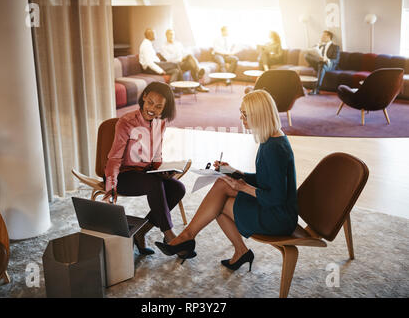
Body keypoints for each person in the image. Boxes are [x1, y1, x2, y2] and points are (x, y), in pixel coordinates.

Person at [155, 90, 299, 270]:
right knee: (222, 184)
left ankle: (188, 238)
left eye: (246, 114)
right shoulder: (271, 138)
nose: (241, 118)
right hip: (275, 209)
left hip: (278, 218)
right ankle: (195, 239)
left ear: (260, 115)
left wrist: (243, 187)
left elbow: (276, 198)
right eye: (241, 112)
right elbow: (267, 180)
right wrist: (235, 172)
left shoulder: (274, 149)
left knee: (219, 203)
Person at [103, 82, 189, 257]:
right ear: (144, 97)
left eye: (159, 107)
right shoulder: (126, 122)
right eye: (150, 102)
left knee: (178, 188)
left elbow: (157, 155)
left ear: (164, 108)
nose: (152, 109)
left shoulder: (161, 123)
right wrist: (110, 186)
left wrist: (163, 170)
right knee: (153, 183)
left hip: (145, 175)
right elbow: (114, 158)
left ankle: (141, 231)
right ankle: (169, 236)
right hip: (123, 175)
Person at [304, 30, 340, 95]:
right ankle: (321, 62)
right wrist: (318, 45)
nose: (321, 37)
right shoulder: (320, 45)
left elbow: (336, 60)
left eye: (323, 36)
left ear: (329, 37)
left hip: (329, 65)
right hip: (319, 62)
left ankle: (316, 89)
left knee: (322, 64)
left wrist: (327, 60)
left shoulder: (335, 47)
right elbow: (312, 52)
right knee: (306, 55)